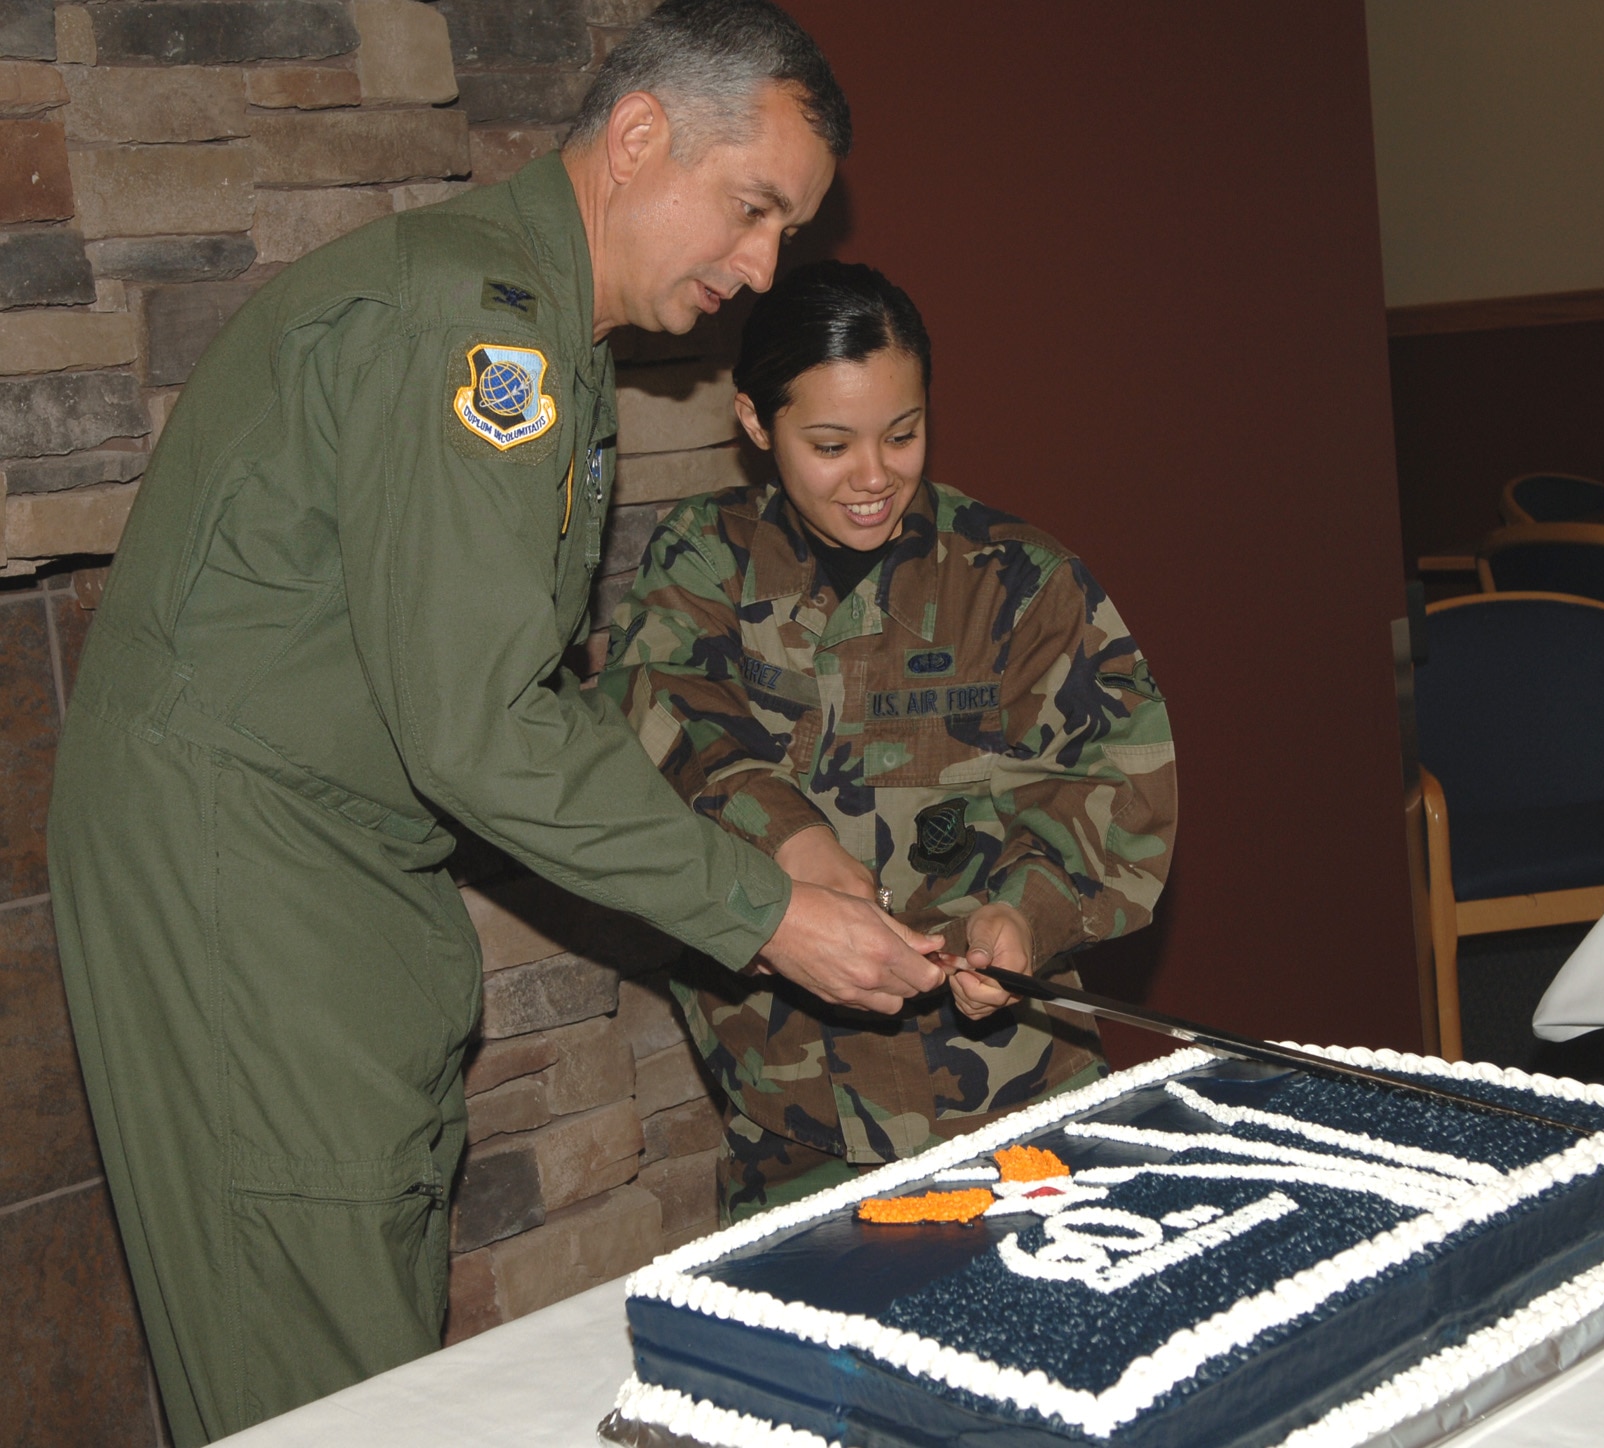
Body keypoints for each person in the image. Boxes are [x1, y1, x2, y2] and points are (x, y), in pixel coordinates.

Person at [45, 5, 949, 1443]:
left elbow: (524, 693)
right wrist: (762, 915)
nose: (766, 265)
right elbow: (476, 729)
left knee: (379, 1342)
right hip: (244, 883)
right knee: (318, 1382)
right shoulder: (476, 329)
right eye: (754, 208)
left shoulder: (542, 333)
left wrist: (758, 850)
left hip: (324, 874)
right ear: (641, 135)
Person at [599, 261, 1178, 1218]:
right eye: (830, 444)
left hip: (1014, 1110)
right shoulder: (704, 560)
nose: (875, 477)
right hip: (791, 1128)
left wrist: (1023, 920)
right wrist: (791, 838)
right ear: (754, 423)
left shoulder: (1018, 580)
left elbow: (1113, 785)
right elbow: (658, 711)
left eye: (902, 434)